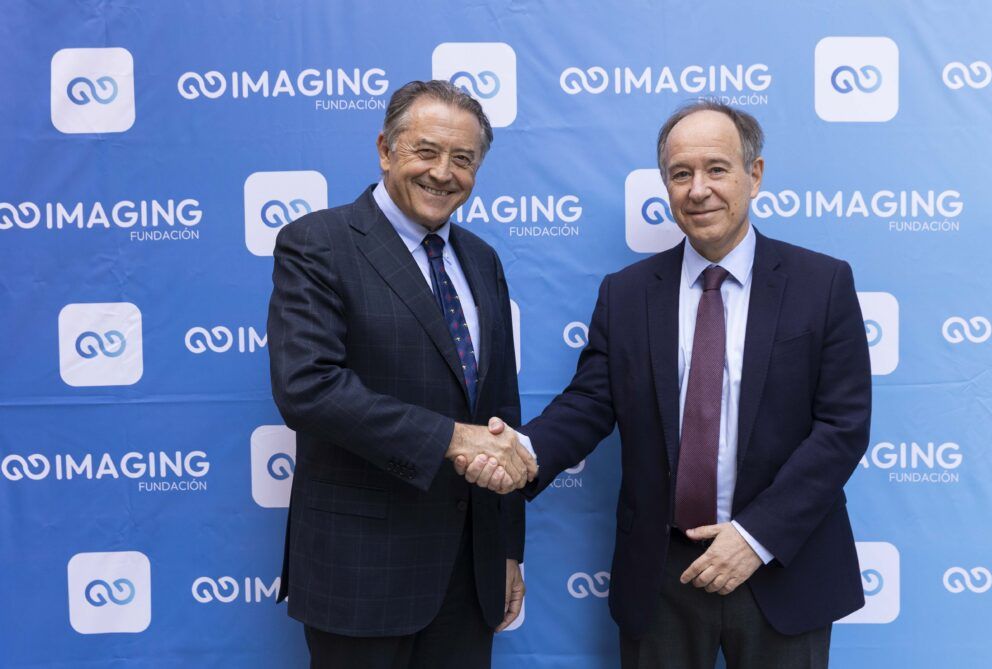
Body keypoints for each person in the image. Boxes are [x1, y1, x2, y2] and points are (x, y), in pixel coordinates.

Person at [460, 101, 871, 668]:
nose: (698, 189)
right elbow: (589, 403)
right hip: (661, 573)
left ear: (754, 175)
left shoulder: (821, 284)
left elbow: (842, 428)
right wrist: (523, 452)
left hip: (782, 563)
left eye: (716, 169)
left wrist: (755, 537)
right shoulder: (626, 294)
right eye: (681, 174)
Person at [267, 79, 537, 669]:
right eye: (426, 151)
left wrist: (506, 549)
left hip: (469, 577)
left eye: (463, 159)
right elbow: (307, 388)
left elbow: (501, 415)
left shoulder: (482, 259)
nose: (443, 173)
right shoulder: (318, 243)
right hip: (362, 574)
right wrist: (452, 438)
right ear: (385, 149)